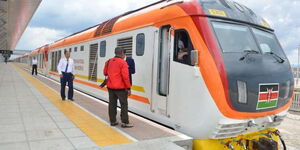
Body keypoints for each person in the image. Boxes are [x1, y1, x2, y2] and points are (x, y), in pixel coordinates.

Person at [103, 47, 133, 128]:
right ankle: (125, 122)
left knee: (112, 104)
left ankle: (113, 121)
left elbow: (105, 73)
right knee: (123, 105)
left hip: (110, 87)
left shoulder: (108, 61)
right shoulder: (123, 63)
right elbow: (125, 77)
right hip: (120, 88)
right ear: (122, 53)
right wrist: (128, 88)